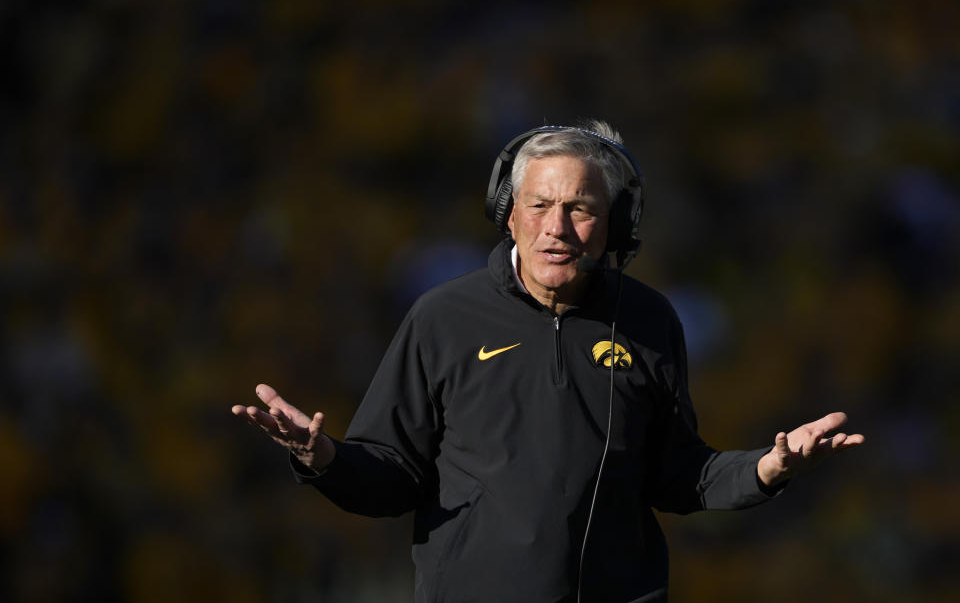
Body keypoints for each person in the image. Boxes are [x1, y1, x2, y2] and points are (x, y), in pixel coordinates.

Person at [231, 121, 864, 603]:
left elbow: (680, 476)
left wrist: (769, 467)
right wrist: (320, 457)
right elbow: (392, 474)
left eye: (580, 208)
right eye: (539, 206)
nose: (555, 227)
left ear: (614, 228)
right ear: (509, 216)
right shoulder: (442, 317)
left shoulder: (650, 320)